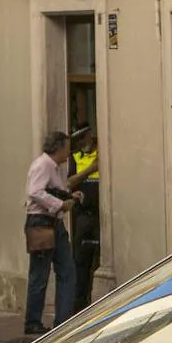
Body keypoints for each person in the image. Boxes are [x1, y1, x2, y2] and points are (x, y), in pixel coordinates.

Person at [23, 131, 95, 335]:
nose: (68, 152)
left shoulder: (54, 167)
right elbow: (35, 191)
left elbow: (51, 189)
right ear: (58, 148)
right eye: (66, 147)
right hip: (42, 223)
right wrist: (61, 204)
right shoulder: (43, 165)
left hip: (54, 223)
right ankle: (33, 321)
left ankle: (63, 319)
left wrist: (68, 195)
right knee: (40, 273)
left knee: (67, 270)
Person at [68, 124, 101, 314]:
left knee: (99, 260)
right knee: (81, 261)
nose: (81, 143)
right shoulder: (75, 158)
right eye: (77, 140)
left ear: (89, 134)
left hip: (101, 215)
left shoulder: (102, 152)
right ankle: (79, 305)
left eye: (83, 137)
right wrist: (90, 170)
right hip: (84, 216)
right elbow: (69, 182)